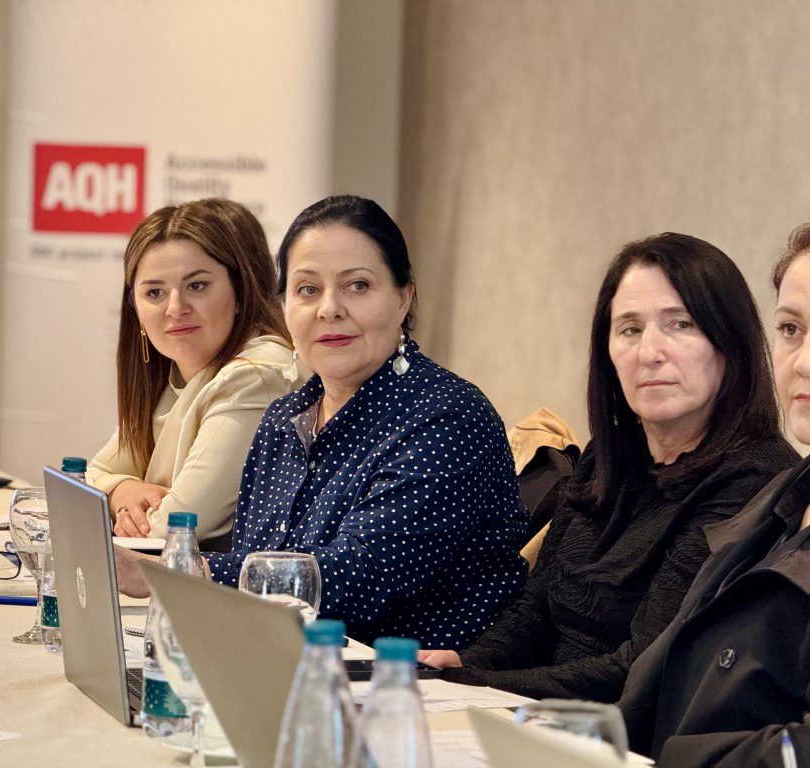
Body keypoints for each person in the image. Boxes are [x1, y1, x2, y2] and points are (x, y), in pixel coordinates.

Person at [116, 194, 529, 648]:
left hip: (409, 678)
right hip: (280, 661)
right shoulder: (283, 420)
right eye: (308, 290)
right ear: (284, 306)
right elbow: (257, 572)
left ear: (403, 297)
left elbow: (358, 580)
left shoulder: (447, 417)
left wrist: (168, 572)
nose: (329, 308)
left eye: (357, 285)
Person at [421, 232, 798, 702]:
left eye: (680, 324)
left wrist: (476, 685)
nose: (649, 352)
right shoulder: (610, 451)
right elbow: (536, 607)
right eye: (630, 329)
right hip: (534, 712)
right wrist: (466, 662)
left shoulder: (755, 479)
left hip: (623, 726)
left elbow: (640, 667)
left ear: (730, 342)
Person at [617, 223, 810, 767]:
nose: (802, 362)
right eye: (791, 329)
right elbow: (653, 682)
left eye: (680, 324)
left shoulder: (750, 476)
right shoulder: (779, 501)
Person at [87, 199, 306, 550]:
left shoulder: (256, 376)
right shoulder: (176, 372)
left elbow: (174, 528)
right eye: (154, 292)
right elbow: (92, 475)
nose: (175, 308)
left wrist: (121, 506)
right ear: (135, 308)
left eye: (197, 286)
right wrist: (122, 492)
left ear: (240, 292)